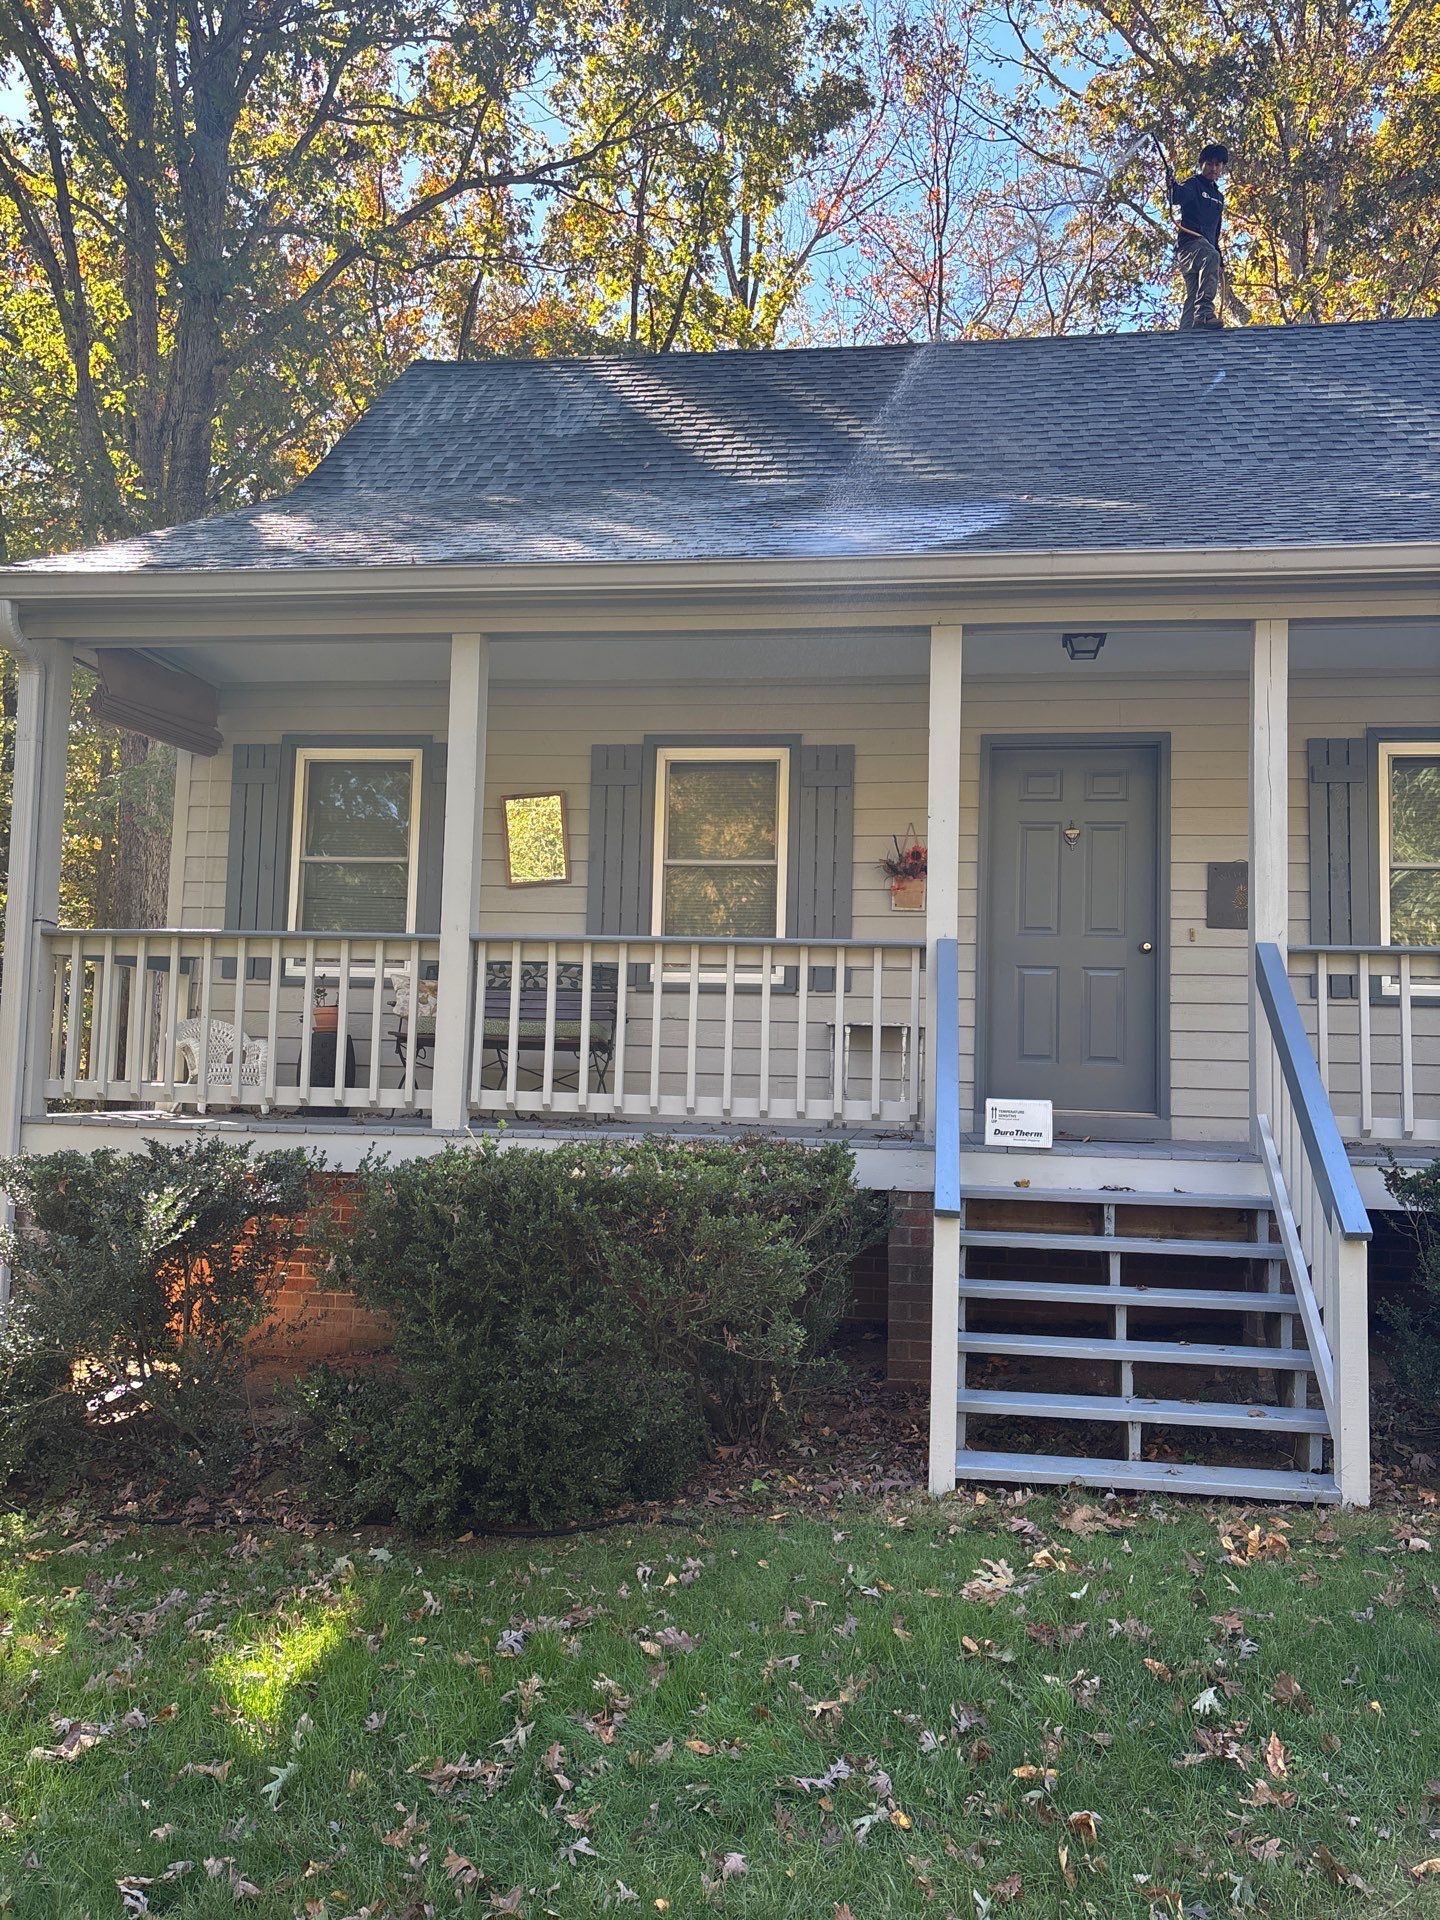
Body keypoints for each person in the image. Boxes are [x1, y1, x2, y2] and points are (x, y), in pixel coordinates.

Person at [1168, 143, 1229, 330]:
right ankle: (1203, 314)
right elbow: (1176, 196)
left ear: (1222, 168)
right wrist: (1171, 184)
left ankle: (1185, 337)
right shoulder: (1193, 185)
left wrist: (1219, 260)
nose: (1214, 168)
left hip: (1207, 247)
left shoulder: (1219, 197)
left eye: (1218, 165)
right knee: (1210, 255)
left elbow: (1215, 232)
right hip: (1189, 246)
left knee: (1193, 293)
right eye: (1209, 164)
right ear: (1202, 164)